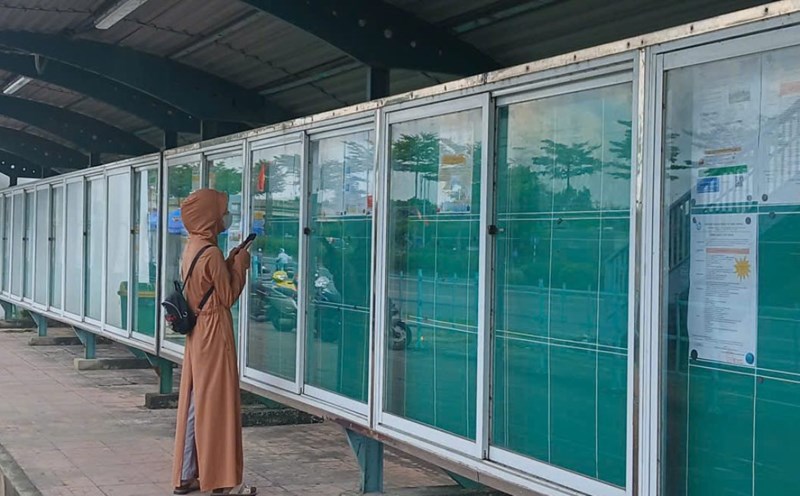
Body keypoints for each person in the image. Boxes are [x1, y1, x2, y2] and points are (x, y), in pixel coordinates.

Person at [171, 189, 257, 495]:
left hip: (197, 333)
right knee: (217, 404)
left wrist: (231, 260)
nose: (226, 216)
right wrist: (242, 264)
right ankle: (219, 478)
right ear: (209, 216)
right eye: (222, 210)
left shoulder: (193, 247)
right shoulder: (210, 253)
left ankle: (187, 473)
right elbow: (227, 296)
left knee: (196, 401)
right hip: (214, 331)